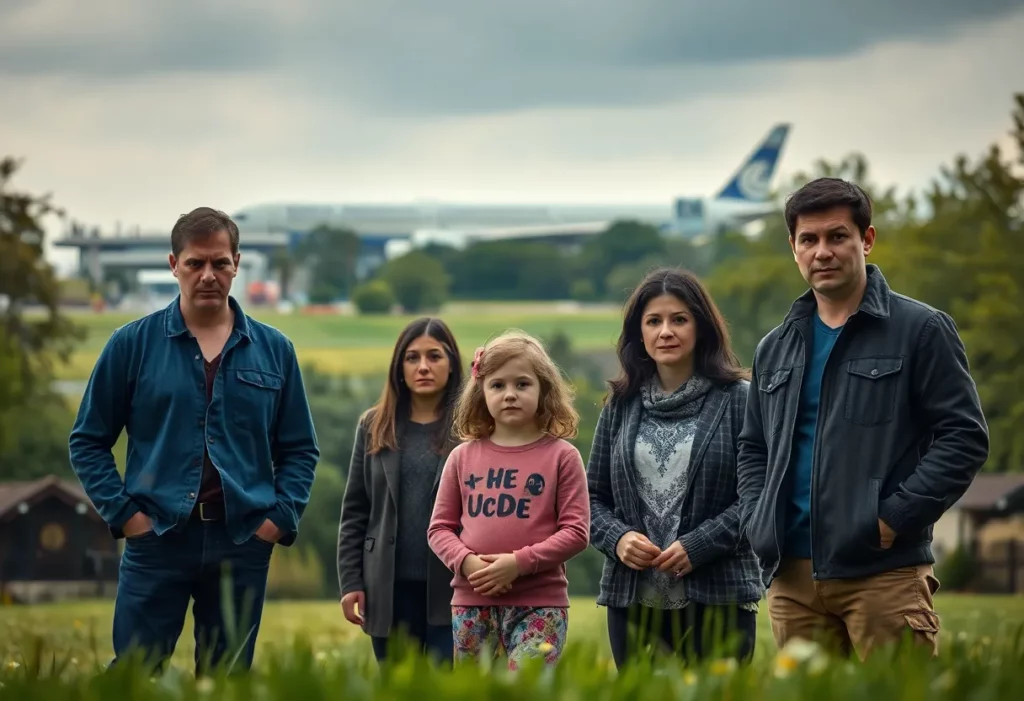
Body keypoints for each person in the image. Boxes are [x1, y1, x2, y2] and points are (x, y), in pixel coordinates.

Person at [736, 177, 989, 660]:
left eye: (837, 237)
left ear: (866, 240)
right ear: (793, 248)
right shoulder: (776, 345)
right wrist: (756, 518)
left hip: (884, 574)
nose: (822, 252)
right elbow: (753, 447)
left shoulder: (921, 330)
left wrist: (895, 517)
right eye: (808, 240)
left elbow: (964, 437)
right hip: (792, 577)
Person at [68, 206, 320, 674]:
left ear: (237, 264)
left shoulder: (275, 350)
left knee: (226, 682)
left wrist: (277, 520)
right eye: (195, 263)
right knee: (135, 675)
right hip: (156, 537)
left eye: (220, 263)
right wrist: (126, 517)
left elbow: (300, 449)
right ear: (173, 264)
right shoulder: (131, 345)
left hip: (242, 539)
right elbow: (87, 441)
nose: (208, 275)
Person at [587, 268, 763, 669]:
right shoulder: (619, 405)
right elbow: (590, 498)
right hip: (633, 601)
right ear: (640, 334)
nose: (666, 331)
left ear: (701, 327)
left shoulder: (740, 400)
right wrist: (617, 539)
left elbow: (759, 494)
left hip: (720, 594)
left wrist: (699, 546)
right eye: (654, 321)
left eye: (679, 319)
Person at [426, 331, 590, 670]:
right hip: (472, 603)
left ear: (544, 389)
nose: (510, 394)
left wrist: (518, 563)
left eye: (522, 384)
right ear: (481, 393)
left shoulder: (563, 457)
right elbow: (439, 529)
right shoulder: (461, 457)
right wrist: (467, 563)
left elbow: (576, 532)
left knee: (527, 689)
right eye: (498, 385)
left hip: (540, 604)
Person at [336, 318, 465, 666]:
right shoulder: (374, 425)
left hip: (453, 588)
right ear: (399, 367)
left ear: (452, 363)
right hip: (387, 589)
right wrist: (350, 582)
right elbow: (355, 513)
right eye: (412, 358)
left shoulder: (472, 428)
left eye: (435, 356)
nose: (423, 367)